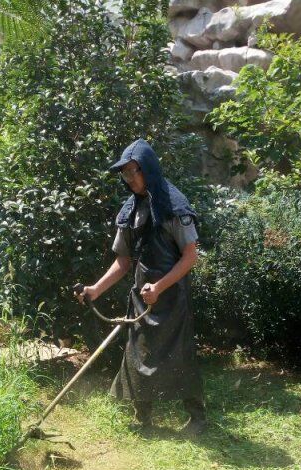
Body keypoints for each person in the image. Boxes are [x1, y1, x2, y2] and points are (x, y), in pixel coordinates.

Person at [79, 138, 207, 435]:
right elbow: (124, 261)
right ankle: (143, 418)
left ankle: (197, 418)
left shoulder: (174, 206)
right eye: (125, 174)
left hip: (172, 295)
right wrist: (96, 289)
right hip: (142, 294)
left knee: (180, 355)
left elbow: (190, 257)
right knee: (138, 353)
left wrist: (159, 287)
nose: (129, 179)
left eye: (133, 171)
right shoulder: (130, 210)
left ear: (147, 168)